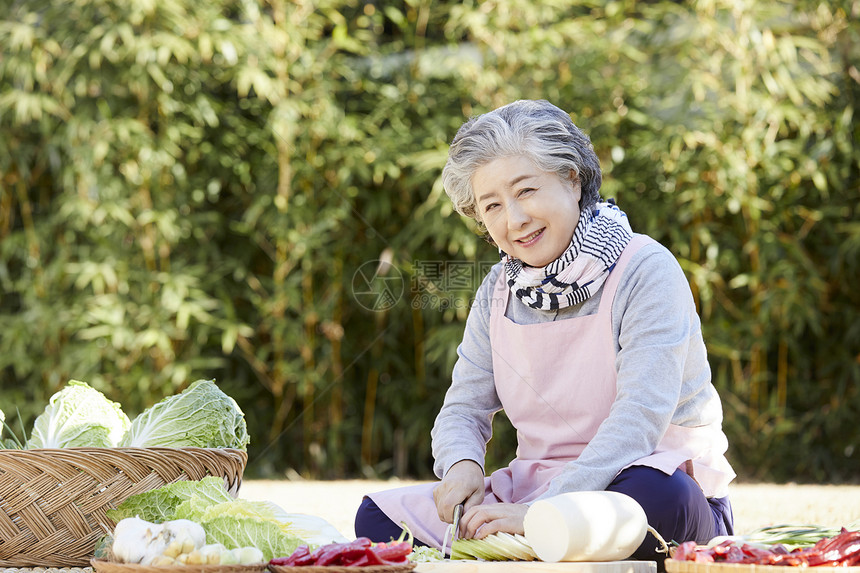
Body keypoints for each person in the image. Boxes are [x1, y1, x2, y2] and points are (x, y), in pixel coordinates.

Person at [353, 99, 735, 562]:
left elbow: (640, 420)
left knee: (657, 498)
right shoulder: (498, 288)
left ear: (573, 180)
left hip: (645, 478)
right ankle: (537, 544)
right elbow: (463, 407)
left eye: (526, 191)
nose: (514, 219)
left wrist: (545, 511)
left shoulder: (646, 269)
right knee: (377, 519)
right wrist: (462, 466)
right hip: (534, 489)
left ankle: (536, 539)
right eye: (492, 206)